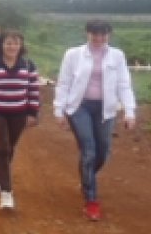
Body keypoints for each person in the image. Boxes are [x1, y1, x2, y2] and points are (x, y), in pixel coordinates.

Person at [53, 19, 136, 221]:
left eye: (103, 34)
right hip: (79, 107)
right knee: (89, 151)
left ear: (109, 35)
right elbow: (64, 82)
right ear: (87, 33)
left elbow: (124, 84)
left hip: (106, 109)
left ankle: (86, 177)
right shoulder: (73, 54)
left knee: (103, 152)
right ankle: (91, 200)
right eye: (94, 34)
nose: (99, 38)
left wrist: (129, 110)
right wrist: (58, 109)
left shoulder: (117, 55)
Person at [0, 30, 39, 210]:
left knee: (10, 147)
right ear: (1, 45)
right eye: (8, 43)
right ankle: (6, 192)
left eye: (16, 43)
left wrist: (32, 113)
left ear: (21, 45)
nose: (12, 46)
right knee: (2, 148)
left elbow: (33, 90)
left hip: (19, 113)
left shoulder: (28, 65)